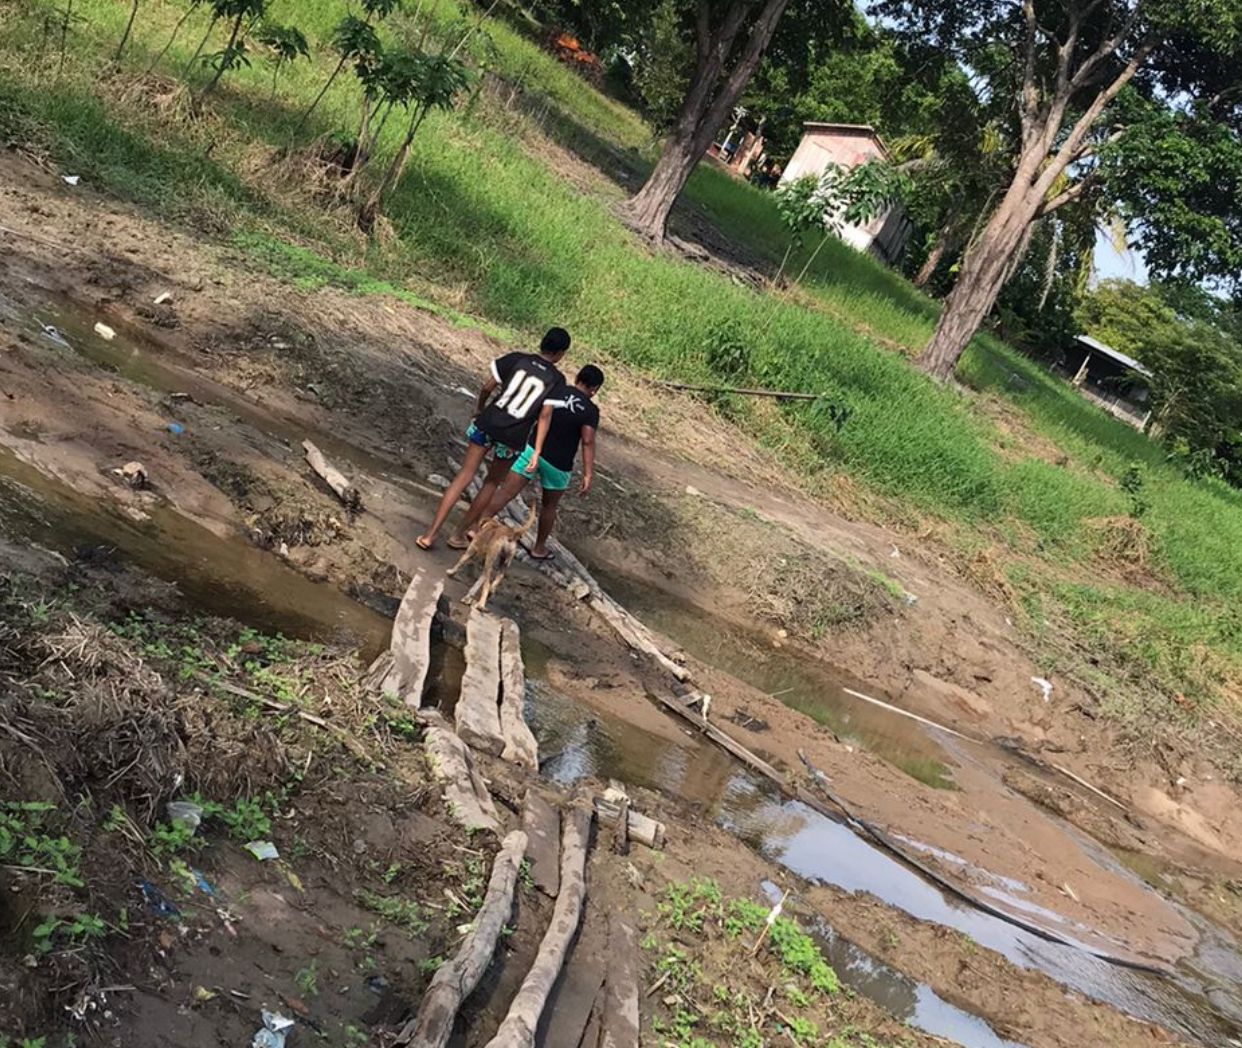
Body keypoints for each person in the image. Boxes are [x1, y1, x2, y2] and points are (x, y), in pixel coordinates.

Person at [416, 327, 570, 551]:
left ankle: (430, 534)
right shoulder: (557, 379)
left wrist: (479, 408)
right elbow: (545, 416)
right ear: (560, 354)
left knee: (464, 475)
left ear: (542, 343)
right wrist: (536, 450)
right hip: (513, 436)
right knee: (491, 483)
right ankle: (459, 534)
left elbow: (487, 386)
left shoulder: (516, 359)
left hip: (488, 422)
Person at [478, 364, 603, 560]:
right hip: (559, 464)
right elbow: (587, 440)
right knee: (549, 506)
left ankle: (478, 527)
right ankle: (539, 548)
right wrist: (588, 473)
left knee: (506, 492)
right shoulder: (590, 411)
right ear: (594, 389)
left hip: (532, 450)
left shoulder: (558, 391)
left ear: (577, 378)